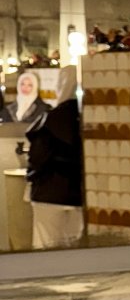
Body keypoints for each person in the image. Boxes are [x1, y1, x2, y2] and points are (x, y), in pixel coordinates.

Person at [26, 66, 84, 249]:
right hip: (78, 195)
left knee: (46, 246)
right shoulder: (89, 119)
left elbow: (38, 158)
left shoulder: (50, 119)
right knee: (75, 247)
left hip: (48, 194)